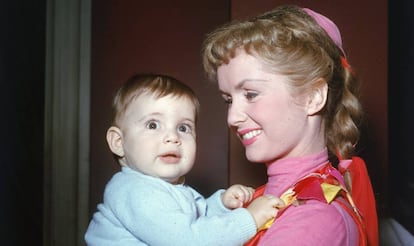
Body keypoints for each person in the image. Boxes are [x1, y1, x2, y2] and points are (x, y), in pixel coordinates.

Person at [202, 5, 378, 246]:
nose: (232, 117)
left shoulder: (314, 220)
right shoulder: (264, 199)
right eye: (229, 100)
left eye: (251, 94)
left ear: (313, 97)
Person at [85, 73, 284, 246]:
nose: (173, 137)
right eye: (153, 125)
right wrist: (249, 219)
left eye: (183, 128)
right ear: (118, 142)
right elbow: (191, 240)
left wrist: (220, 205)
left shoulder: (164, 187)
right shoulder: (135, 192)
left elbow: (190, 222)